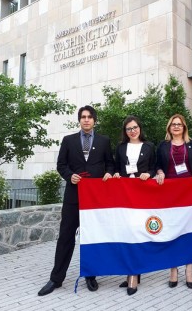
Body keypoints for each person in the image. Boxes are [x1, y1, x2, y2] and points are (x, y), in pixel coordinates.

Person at [38, 105, 115, 296]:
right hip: (73, 197)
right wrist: (69, 175)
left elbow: (110, 163)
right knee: (66, 237)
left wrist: (109, 173)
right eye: (83, 117)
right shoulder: (69, 140)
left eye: (89, 117)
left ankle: (91, 275)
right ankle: (56, 278)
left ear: (94, 120)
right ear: (79, 120)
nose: (86, 120)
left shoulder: (104, 141)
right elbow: (61, 165)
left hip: (95, 199)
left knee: (92, 237)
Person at [156, 114, 192, 289]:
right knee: (172, 231)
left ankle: (189, 269)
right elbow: (156, 164)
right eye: (173, 124)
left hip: (189, 193)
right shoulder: (162, 145)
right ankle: (173, 269)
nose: (176, 127)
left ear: (184, 127)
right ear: (169, 127)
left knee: (188, 231)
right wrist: (159, 171)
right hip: (168, 193)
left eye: (179, 124)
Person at [114, 115, 156, 295]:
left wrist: (149, 174)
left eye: (135, 127)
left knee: (139, 232)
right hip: (125, 195)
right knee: (127, 232)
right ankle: (132, 273)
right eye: (129, 128)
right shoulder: (120, 147)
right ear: (125, 131)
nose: (132, 131)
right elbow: (115, 167)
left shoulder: (149, 146)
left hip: (142, 194)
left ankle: (134, 274)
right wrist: (114, 173)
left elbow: (155, 167)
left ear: (140, 128)